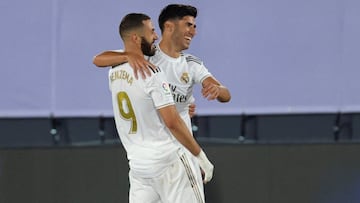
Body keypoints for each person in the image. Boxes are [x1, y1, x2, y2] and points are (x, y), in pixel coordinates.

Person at [94, 4, 231, 201]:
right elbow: (98, 58)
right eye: (189, 25)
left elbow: (226, 95)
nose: (194, 31)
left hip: (149, 159)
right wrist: (128, 55)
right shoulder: (145, 58)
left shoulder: (191, 64)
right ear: (169, 27)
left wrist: (218, 90)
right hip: (172, 156)